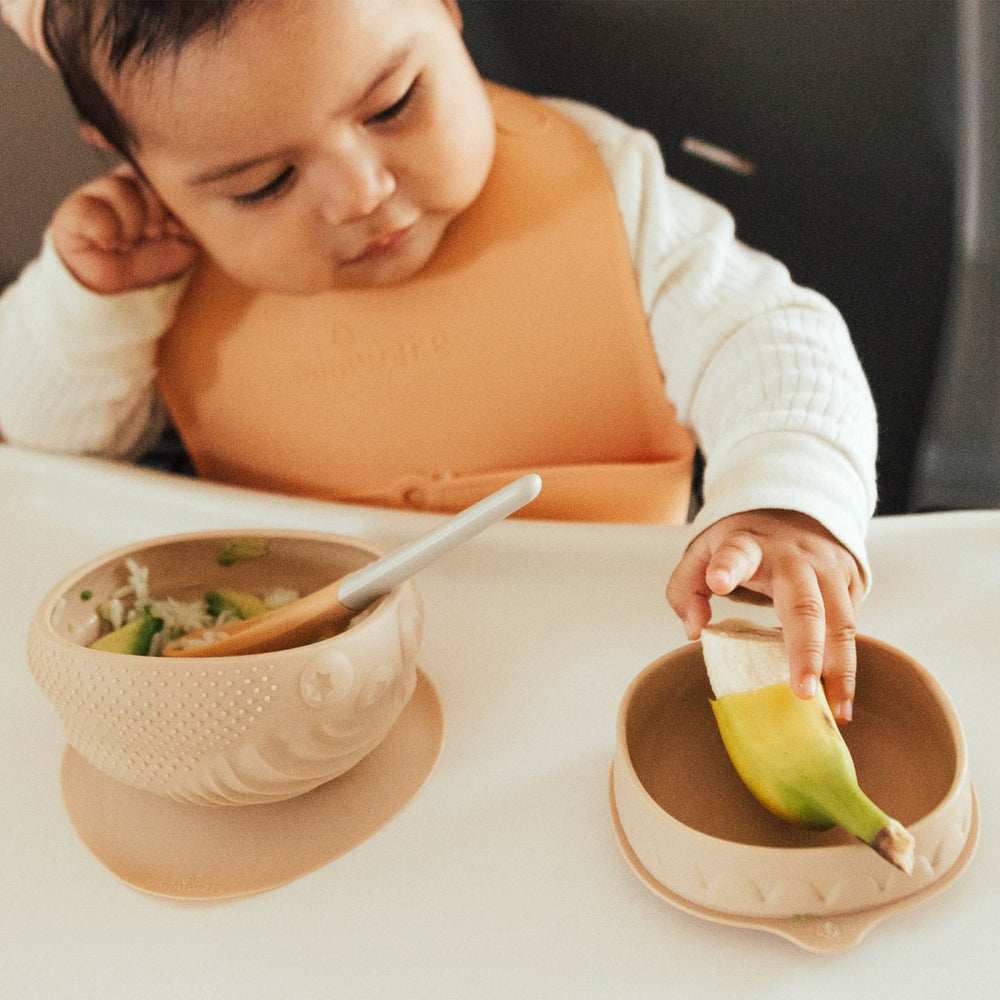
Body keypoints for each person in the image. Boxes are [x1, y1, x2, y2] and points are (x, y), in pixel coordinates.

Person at [0, 0, 877, 722]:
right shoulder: (154, 265)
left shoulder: (605, 189)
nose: (362, 192)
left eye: (392, 106)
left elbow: (768, 335)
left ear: (445, 10)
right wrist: (87, 304)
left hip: (603, 659)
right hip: (295, 685)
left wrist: (787, 498)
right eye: (263, 184)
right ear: (135, 164)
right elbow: (44, 459)